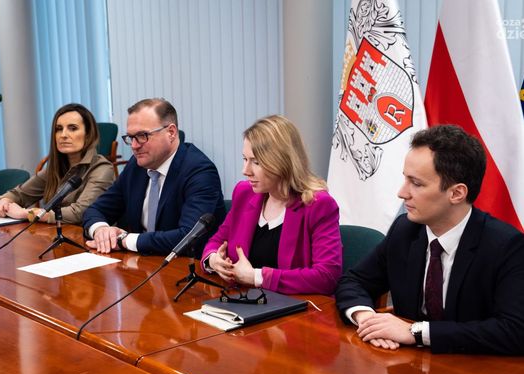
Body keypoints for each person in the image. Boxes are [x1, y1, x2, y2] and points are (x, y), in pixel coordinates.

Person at [335, 124, 524, 355]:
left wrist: (417, 332)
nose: (402, 193)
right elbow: (354, 280)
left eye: (416, 183)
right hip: (408, 366)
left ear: (456, 193)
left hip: (473, 370)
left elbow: (515, 330)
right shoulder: (405, 230)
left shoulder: (506, 246)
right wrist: (368, 319)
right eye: (405, 179)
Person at [201, 115, 342, 295]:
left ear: (282, 162)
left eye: (256, 162)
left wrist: (257, 277)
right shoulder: (244, 193)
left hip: (294, 308)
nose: (245, 171)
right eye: (245, 159)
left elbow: (327, 277)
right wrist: (213, 260)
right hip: (242, 300)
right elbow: (217, 241)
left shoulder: (318, 205)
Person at [83, 98, 226, 256]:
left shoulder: (200, 171)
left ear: (171, 132)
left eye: (142, 135)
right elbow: (96, 209)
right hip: (141, 262)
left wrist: (124, 239)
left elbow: (188, 236)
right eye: (131, 137)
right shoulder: (136, 166)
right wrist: (101, 230)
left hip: (184, 265)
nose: (134, 146)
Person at [0, 103, 114, 225]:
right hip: (56, 231)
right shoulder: (55, 167)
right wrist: (5, 201)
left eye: (73, 128)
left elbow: (80, 213)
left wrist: (27, 214)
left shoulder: (102, 169)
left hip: (86, 234)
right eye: (59, 129)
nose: (63, 135)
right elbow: (20, 194)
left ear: (88, 135)